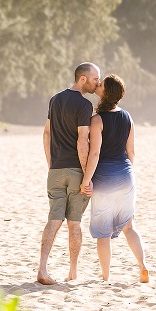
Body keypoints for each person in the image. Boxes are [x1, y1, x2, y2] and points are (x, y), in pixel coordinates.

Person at [80, 74, 149, 283]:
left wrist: (86, 180)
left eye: (101, 85)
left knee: (103, 233)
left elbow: (95, 153)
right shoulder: (128, 117)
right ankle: (143, 266)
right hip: (127, 176)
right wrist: (126, 174)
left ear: (105, 92)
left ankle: (106, 276)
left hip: (104, 178)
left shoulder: (97, 119)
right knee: (129, 227)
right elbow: (131, 152)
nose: (97, 86)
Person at [37, 62, 100, 284]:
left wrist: (51, 164)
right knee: (74, 222)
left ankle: (42, 269)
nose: (97, 83)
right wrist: (87, 176)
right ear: (82, 79)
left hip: (55, 170)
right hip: (75, 171)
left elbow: (46, 134)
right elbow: (82, 141)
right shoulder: (84, 105)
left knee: (53, 219)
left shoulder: (55, 99)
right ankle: (73, 272)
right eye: (94, 79)